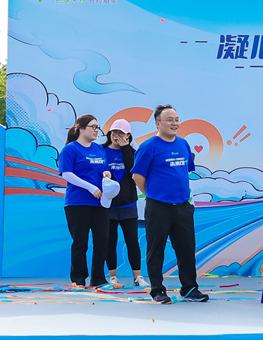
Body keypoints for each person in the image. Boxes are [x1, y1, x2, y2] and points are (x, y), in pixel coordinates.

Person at [132, 105, 208, 304]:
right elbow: (137, 177)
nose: (174, 123)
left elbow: (185, 172)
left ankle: (189, 288)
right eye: (169, 120)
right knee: (156, 249)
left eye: (176, 119)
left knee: (187, 249)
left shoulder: (183, 144)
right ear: (158, 123)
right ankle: (157, 290)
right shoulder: (148, 146)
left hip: (183, 206)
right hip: (158, 207)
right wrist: (155, 195)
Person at [59, 114, 111, 287]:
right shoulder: (70, 149)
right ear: (81, 128)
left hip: (100, 203)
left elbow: (105, 169)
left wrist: (107, 174)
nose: (96, 130)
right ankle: (78, 279)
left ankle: (98, 279)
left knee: (102, 241)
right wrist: (89, 187)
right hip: (78, 203)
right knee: (80, 243)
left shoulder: (99, 149)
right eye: (93, 127)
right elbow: (67, 174)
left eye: (98, 127)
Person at [101, 118, 149, 288]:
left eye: (121, 133)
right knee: (110, 242)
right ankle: (113, 277)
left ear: (128, 136)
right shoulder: (101, 151)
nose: (117, 136)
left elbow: (133, 170)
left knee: (132, 241)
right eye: (114, 132)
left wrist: (125, 148)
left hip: (128, 205)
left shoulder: (133, 153)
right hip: (109, 205)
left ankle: (138, 277)